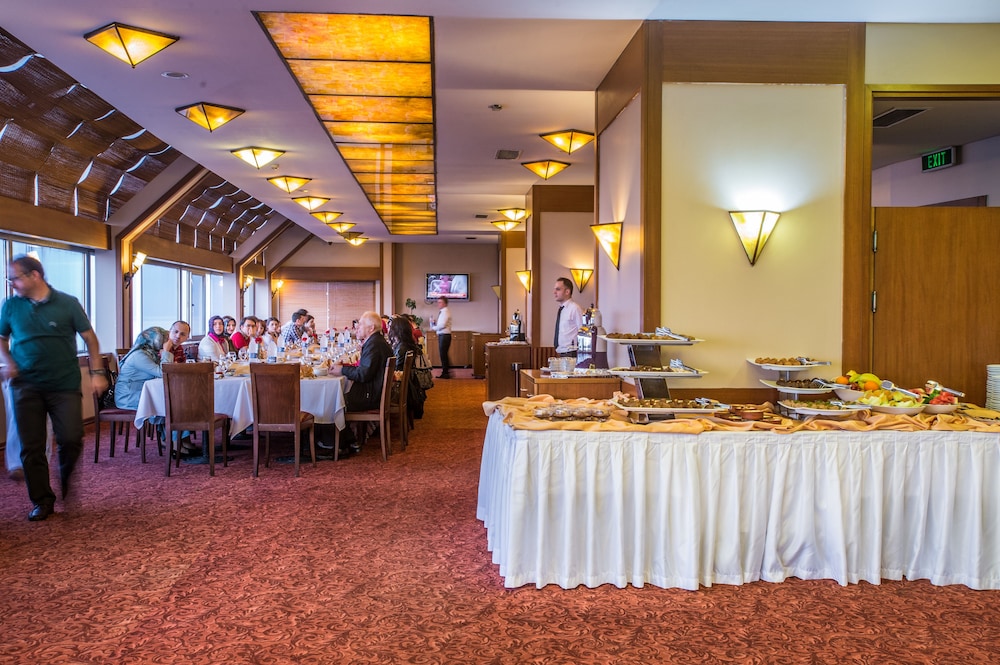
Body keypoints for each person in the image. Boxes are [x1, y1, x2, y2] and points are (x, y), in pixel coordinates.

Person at [0, 255, 108, 521]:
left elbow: (90, 339)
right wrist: (9, 362)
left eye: (15, 278)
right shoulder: (11, 305)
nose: (11, 284)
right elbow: (1, 338)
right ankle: (42, 500)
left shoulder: (68, 303)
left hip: (63, 385)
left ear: (34, 275)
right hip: (26, 386)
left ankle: (65, 480)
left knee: (71, 438)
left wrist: (96, 373)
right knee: (31, 446)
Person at [331, 310, 393, 455]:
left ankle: (338, 443)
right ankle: (348, 440)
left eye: (360, 325)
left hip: (369, 396)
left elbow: (363, 374)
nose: (356, 328)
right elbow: (365, 370)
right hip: (374, 392)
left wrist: (342, 370)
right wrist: (345, 368)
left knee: (332, 401)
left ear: (371, 328)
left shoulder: (374, 345)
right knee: (336, 396)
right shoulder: (377, 342)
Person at [114, 327, 175, 410]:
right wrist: (166, 352)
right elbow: (163, 373)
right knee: (170, 402)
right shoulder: (138, 356)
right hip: (128, 397)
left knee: (171, 399)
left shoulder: (150, 354)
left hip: (139, 392)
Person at [386, 316, 426, 421]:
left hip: (399, 388)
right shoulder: (404, 345)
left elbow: (396, 371)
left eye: (390, 327)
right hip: (407, 385)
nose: (388, 329)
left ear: (396, 330)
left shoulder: (402, 348)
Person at [552, 277, 585, 357]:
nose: (554, 292)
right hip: (561, 352)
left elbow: (583, 332)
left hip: (571, 353)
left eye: (558, 289)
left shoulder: (575, 308)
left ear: (567, 291)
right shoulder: (562, 309)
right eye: (555, 289)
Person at [429, 296, 452, 379]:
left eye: (440, 302)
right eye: (438, 302)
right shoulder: (443, 312)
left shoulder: (445, 312)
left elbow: (442, 325)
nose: (438, 304)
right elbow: (441, 324)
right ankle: (446, 372)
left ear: (445, 303)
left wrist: (433, 328)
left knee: (443, 354)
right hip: (443, 335)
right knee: (443, 354)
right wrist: (435, 323)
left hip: (444, 335)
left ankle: (445, 373)